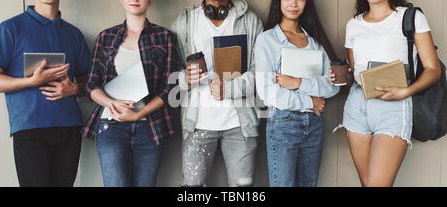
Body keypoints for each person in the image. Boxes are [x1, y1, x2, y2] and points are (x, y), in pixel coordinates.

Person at [331, 0, 441, 187]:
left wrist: (406, 91)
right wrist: (341, 76)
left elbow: (433, 69)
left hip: (394, 105)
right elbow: (354, 72)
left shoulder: (412, 17)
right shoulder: (354, 24)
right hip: (357, 105)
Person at [82, 0, 181, 187]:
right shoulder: (105, 37)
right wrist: (111, 103)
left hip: (150, 127)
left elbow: (171, 87)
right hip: (111, 127)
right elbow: (90, 85)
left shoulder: (165, 37)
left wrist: (137, 114)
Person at [0, 0, 90, 187]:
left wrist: (73, 89)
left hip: (70, 129)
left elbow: (89, 83)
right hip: (30, 129)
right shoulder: (10, 28)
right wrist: (32, 81)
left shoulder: (73, 34)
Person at [171, 0, 263, 187]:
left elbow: (260, 72)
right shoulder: (185, 20)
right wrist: (184, 78)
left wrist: (230, 89)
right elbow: (171, 70)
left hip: (240, 124)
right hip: (197, 123)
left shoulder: (251, 21)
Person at [255, 0, 340, 187]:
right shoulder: (267, 40)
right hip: (283, 123)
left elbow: (333, 86)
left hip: (315, 124)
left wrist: (296, 82)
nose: (293, 3)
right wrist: (310, 102)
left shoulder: (315, 41)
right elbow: (267, 92)